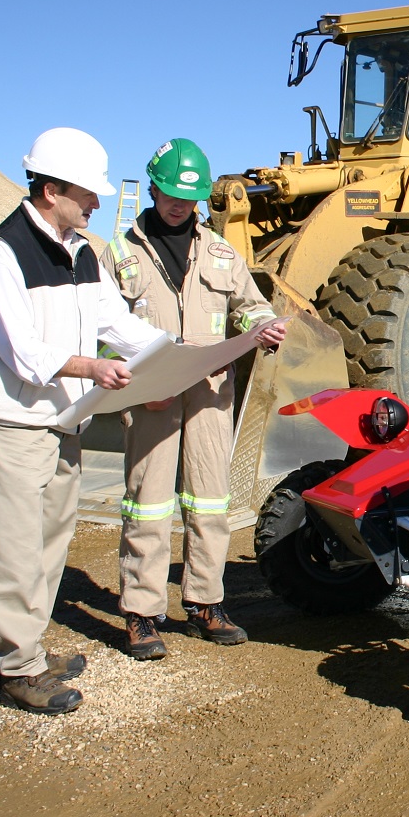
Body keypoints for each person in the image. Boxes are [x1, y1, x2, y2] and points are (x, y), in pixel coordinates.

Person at [0, 127, 171, 715]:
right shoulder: (2, 255)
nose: (97, 204)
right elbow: (23, 353)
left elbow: (117, 323)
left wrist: (172, 351)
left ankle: (28, 648)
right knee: (13, 546)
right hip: (15, 424)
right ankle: (16, 668)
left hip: (65, 422)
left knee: (50, 541)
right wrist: (92, 367)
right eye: (87, 193)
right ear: (51, 188)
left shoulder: (82, 253)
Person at [100, 138, 288, 660]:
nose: (178, 205)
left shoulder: (222, 254)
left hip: (209, 393)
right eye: (169, 194)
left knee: (209, 499)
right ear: (154, 188)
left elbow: (248, 308)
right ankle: (142, 612)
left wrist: (264, 327)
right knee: (149, 502)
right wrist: (132, 382)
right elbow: (99, 330)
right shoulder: (120, 254)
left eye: (189, 197)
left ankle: (207, 602)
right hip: (153, 395)